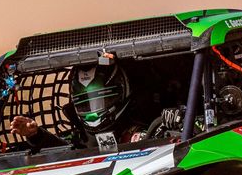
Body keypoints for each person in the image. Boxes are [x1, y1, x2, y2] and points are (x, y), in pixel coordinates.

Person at [9, 61, 147, 150]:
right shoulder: (81, 137)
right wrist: (35, 135)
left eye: (100, 99)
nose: (92, 110)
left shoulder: (146, 131)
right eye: (84, 102)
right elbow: (63, 149)